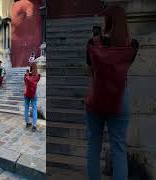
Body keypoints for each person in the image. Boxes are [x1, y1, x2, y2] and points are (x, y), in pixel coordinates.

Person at [85, 5, 139, 180]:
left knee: (94, 146)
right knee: (119, 149)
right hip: (119, 97)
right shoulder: (132, 46)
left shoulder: (93, 43)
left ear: (107, 21)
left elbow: (89, 70)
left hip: (97, 97)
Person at [24, 62, 40, 132]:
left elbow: (25, 81)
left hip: (27, 93)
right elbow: (38, 77)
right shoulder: (37, 76)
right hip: (33, 94)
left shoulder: (26, 75)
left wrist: (28, 73)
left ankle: (27, 123)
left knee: (26, 108)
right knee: (34, 109)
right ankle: (34, 125)